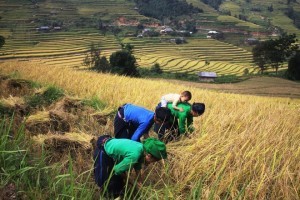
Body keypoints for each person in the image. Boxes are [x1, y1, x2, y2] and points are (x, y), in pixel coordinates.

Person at [93, 136, 167, 197]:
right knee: (105, 181)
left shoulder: (141, 148)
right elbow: (117, 170)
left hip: (109, 143)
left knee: (119, 182)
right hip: (103, 150)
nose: (151, 163)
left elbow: (137, 166)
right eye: (153, 161)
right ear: (149, 156)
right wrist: (132, 182)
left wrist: (139, 181)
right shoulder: (135, 155)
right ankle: (102, 195)